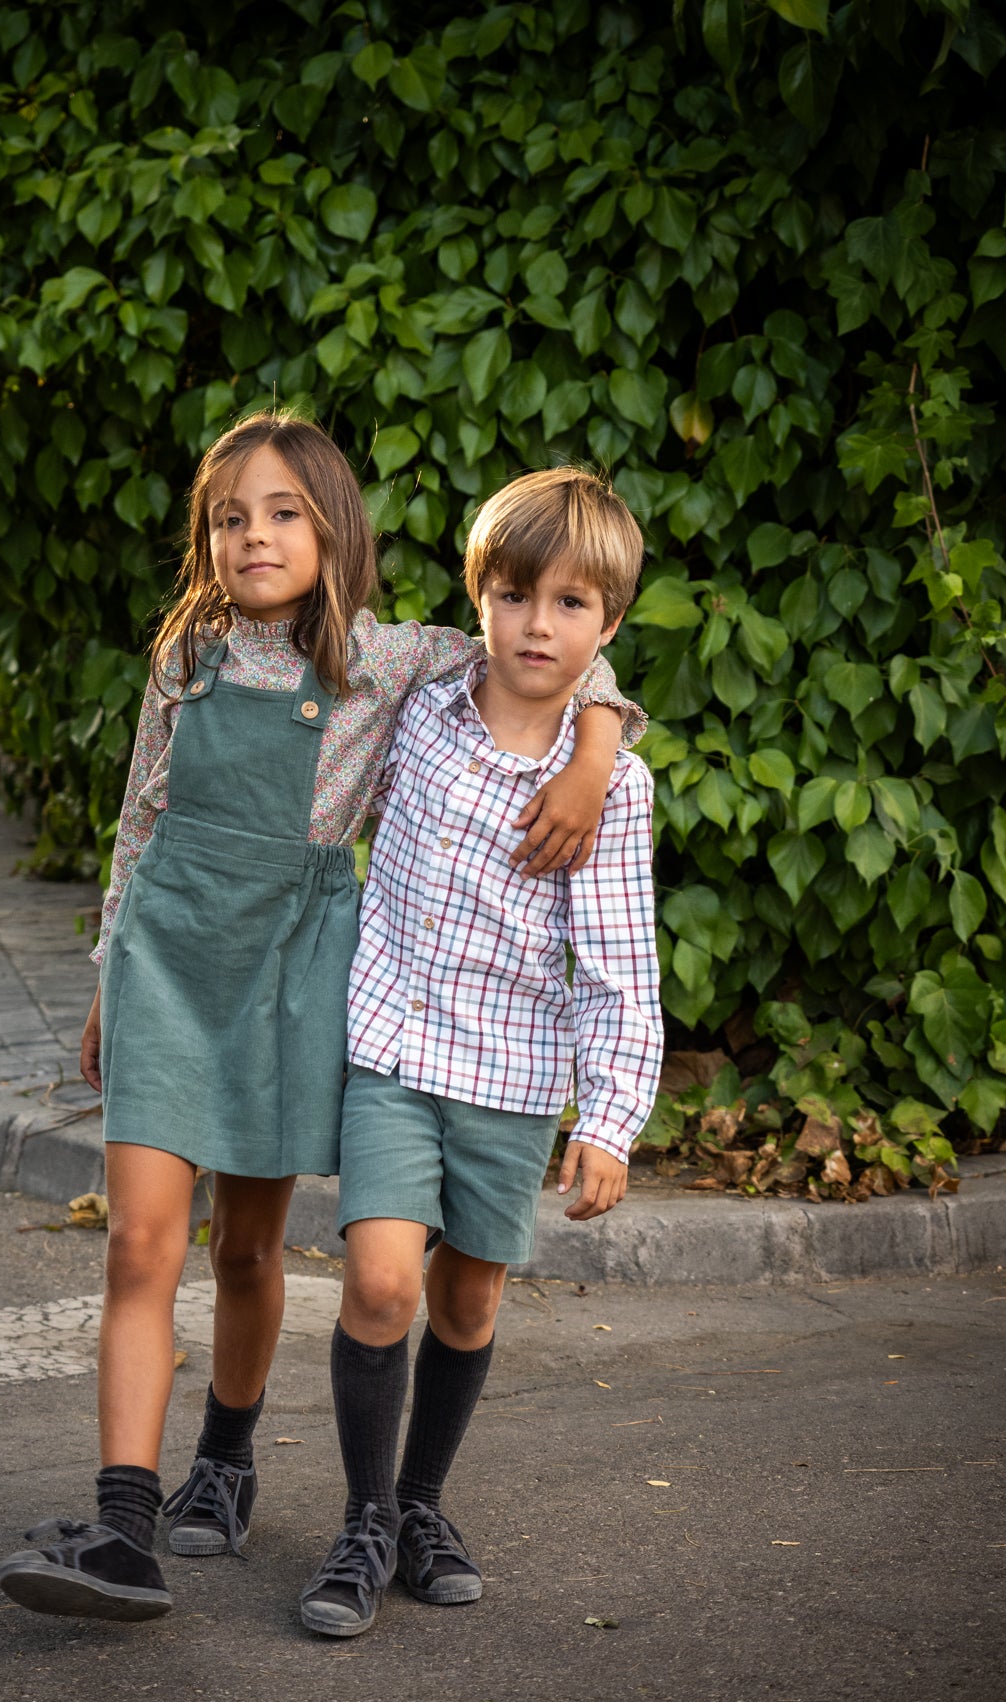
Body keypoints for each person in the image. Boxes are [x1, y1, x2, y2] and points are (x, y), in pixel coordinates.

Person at [0, 415, 646, 1624]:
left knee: (245, 1248)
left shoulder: (391, 663)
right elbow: (139, 816)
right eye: (232, 514)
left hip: (289, 974)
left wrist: (600, 749)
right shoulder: (182, 658)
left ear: (334, 527)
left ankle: (228, 1462)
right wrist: (106, 967)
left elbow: (548, 640)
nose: (256, 534)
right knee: (140, 1242)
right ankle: (124, 1524)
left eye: (285, 511)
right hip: (168, 960)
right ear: (206, 534)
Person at [299, 465, 663, 1637]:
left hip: (511, 1078)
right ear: (480, 598)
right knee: (381, 1279)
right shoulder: (424, 703)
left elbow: (618, 962)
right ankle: (360, 1517)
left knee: (465, 1301)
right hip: (396, 1048)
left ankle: (420, 1504)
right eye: (513, 597)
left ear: (606, 625)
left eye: (569, 605)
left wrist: (610, 1117)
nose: (536, 626)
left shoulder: (614, 787)